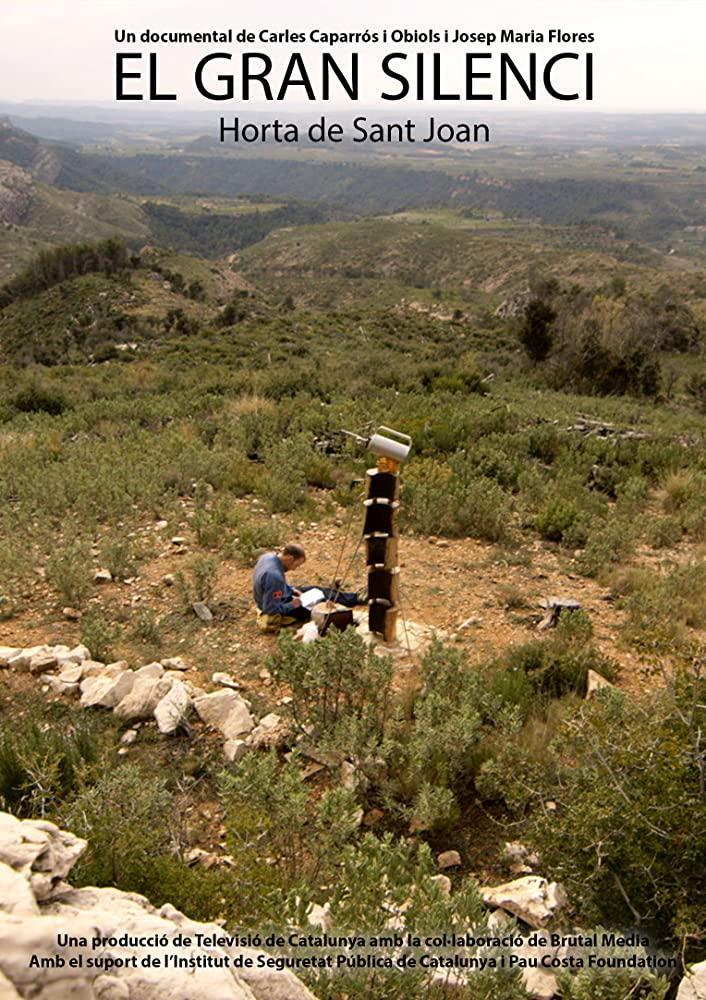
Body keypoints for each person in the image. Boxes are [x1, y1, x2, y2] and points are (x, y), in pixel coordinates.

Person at [253, 543, 363, 633]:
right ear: (290, 558)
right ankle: (355, 601)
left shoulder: (267, 557)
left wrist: (290, 589)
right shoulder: (274, 576)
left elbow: (270, 585)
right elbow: (271, 609)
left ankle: (355, 597)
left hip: (282, 595)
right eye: (296, 565)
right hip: (280, 606)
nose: (295, 569)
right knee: (321, 603)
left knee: (317, 590)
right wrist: (292, 605)